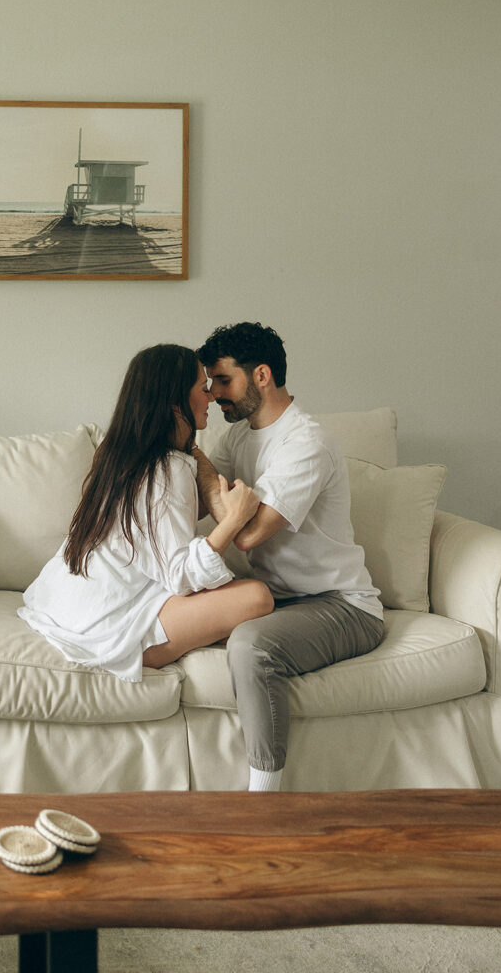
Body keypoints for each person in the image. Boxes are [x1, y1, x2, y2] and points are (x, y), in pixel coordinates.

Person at [195, 322, 385, 791]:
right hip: (274, 599)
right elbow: (203, 497)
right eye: (211, 383)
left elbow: (249, 534)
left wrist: (210, 480)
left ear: (261, 376)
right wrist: (187, 449)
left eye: (224, 380)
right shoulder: (239, 438)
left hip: (342, 605)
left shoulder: (306, 442)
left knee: (250, 647)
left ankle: (265, 802)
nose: (214, 393)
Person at [18, 344, 274, 683]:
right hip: (109, 624)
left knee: (241, 603)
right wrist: (234, 520)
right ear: (174, 403)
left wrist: (187, 441)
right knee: (257, 597)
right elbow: (180, 576)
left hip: (69, 605)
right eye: (201, 388)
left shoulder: (127, 454)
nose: (211, 396)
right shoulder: (165, 472)